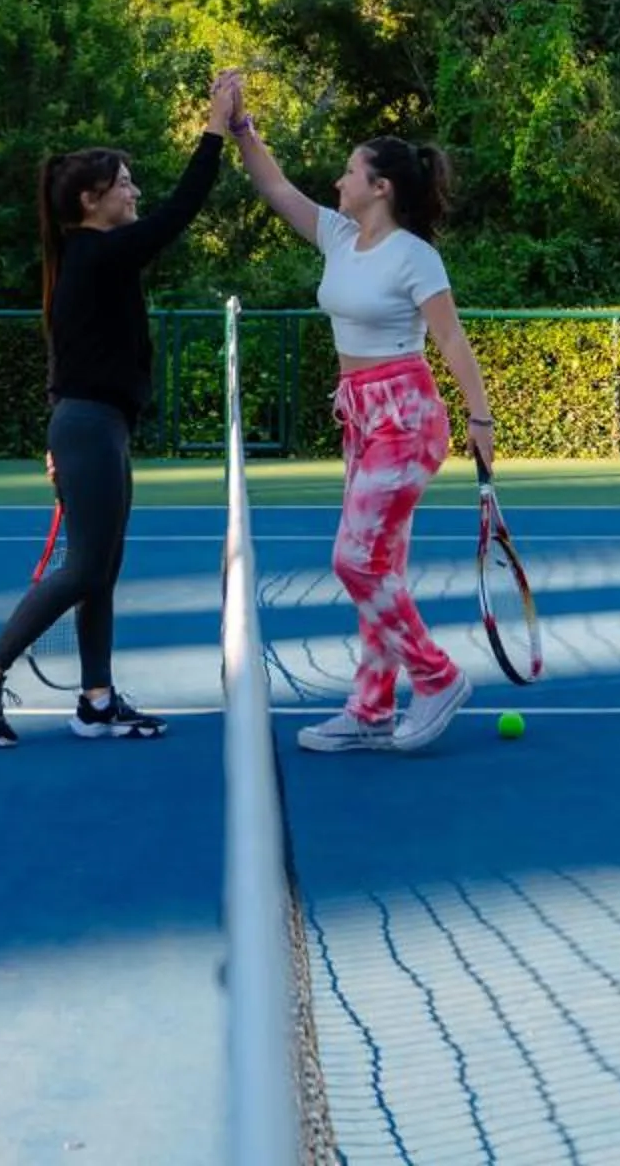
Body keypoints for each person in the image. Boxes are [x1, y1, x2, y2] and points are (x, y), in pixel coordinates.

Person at [0, 70, 241, 748]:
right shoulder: (99, 255)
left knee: (101, 567)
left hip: (97, 426)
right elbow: (180, 213)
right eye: (126, 183)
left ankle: (97, 699)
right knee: (83, 567)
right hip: (89, 427)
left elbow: (66, 357)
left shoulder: (90, 259)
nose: (136, 191)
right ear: (91, 200)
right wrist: (213, 131)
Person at [229, 102, 492, 753]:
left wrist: (480, 416)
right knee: (381, 568)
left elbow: (452, 339)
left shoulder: (415, 257)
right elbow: (273, 185)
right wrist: (241, 129)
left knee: (354, 560)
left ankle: (436, 677)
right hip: (360, 414)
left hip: (407, 416)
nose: (337, 182)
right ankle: (371, 708)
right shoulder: (339, 237)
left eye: (350, 172)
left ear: (381, 187)